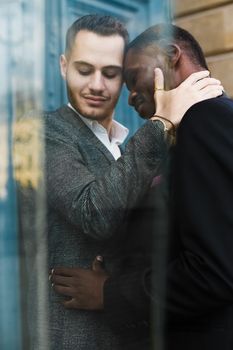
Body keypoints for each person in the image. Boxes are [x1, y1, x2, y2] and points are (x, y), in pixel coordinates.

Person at [50, 23, 233, 350]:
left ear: (170, 56)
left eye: (127, 76)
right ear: (63, 67)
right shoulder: (188, 128)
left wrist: (108, 292)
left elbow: (214, 272)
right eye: (83, 69)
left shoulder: (203, 120)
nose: (129, 94)